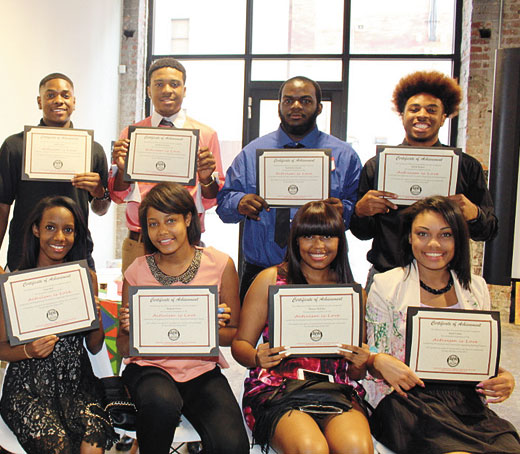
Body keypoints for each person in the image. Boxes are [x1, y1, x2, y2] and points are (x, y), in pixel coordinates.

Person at [365, 196, 519, 453]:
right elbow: (372, 354)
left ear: (459, 239)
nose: (434, 244)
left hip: (466, 403)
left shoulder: (476, 288)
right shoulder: (387, 286)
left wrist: (503, 377)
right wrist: (377, 360)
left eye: (445, 234)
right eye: (422, 234)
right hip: (407, 401)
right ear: (409, 238)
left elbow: (477, 355)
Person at [116, 182, 249, 454]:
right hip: (149, 370)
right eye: (153, 224)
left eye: (171, 220)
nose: (162, 231)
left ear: (188, 219)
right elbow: (122, 347)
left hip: (201, 371)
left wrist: (205, 328)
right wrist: (132, 330)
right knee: (160, 404)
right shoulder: (136, 271)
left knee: (232, 445)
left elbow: (233, 332)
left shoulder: (221, 264)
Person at [231, 200, 373, 454]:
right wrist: (256, 357)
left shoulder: (352, 293)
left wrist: (360, 363)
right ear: (295, 239)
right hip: (278, 388)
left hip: (336, 389)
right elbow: (239, 345)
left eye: (328, 237)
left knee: (357, 449)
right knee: (311, 449)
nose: (318, 246)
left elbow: (354, 373)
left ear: (340, 241)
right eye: (308, 236)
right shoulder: (271, 280)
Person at [217, 76, 362, 303]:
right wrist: (239, 203)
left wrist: (345, 209)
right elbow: (224, 206)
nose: (296, 106)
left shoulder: (345, 156)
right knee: (249, 338)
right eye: (288, 100)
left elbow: (359, 212)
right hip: (261, 267)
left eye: (305, 101)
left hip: (323, 270)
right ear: (279, 106)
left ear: (319, 107)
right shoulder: (251, 153)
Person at [350, 71, 497, 287]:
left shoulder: (466, 166)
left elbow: (490, 230)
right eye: (414, 109)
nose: (422, 115)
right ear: (402, 115)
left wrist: (474, 214)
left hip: (446, 281)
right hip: (386, 277)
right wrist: (360, 212)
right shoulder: (377, 166)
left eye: (431, 110)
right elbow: (362, 233)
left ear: (443, 118)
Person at [0, 195, 116, 454]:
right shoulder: (15, 283)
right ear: (36, 229)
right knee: (57, 446)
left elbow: (94, 348)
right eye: (50, 227)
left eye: (68, 230)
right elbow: (0, 349)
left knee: (92, 446)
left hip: (78, 386)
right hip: (28, 389)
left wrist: (96, 320)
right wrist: (29, 351)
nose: (59, 237)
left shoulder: (85, 279)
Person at [0, 72, 110, 299]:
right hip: (23, 255)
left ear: (74, 102)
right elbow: (0, 206)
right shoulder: (15, 146)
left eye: (65, 95)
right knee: (19, 330)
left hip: (76, 254)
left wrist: (99, 191)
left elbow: (101, 209)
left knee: (78, 328)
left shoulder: (93, 150)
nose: (58, 100)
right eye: (50, 95)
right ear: (39, 101)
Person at [109, 58, 224, 273]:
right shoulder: (131, 134)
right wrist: (122, 171)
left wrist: (207, 179)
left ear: (184, 89)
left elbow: (212, 200)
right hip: (140, 241)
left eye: (174, 84)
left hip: (187, 243)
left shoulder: (206, 135)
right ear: (148, 90)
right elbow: (117, 195)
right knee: (136, 305)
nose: (167, 90)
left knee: (183, 305)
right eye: (159, 84)